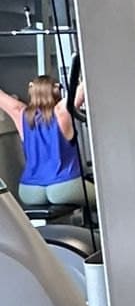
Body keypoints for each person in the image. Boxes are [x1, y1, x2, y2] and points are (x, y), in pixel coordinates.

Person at [0, 75, 95, 212]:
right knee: (106, 197)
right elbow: (85, 84)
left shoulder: (20, 113)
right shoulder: (62, 112)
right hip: (64, 187)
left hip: (29, 191)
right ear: (56, 90)